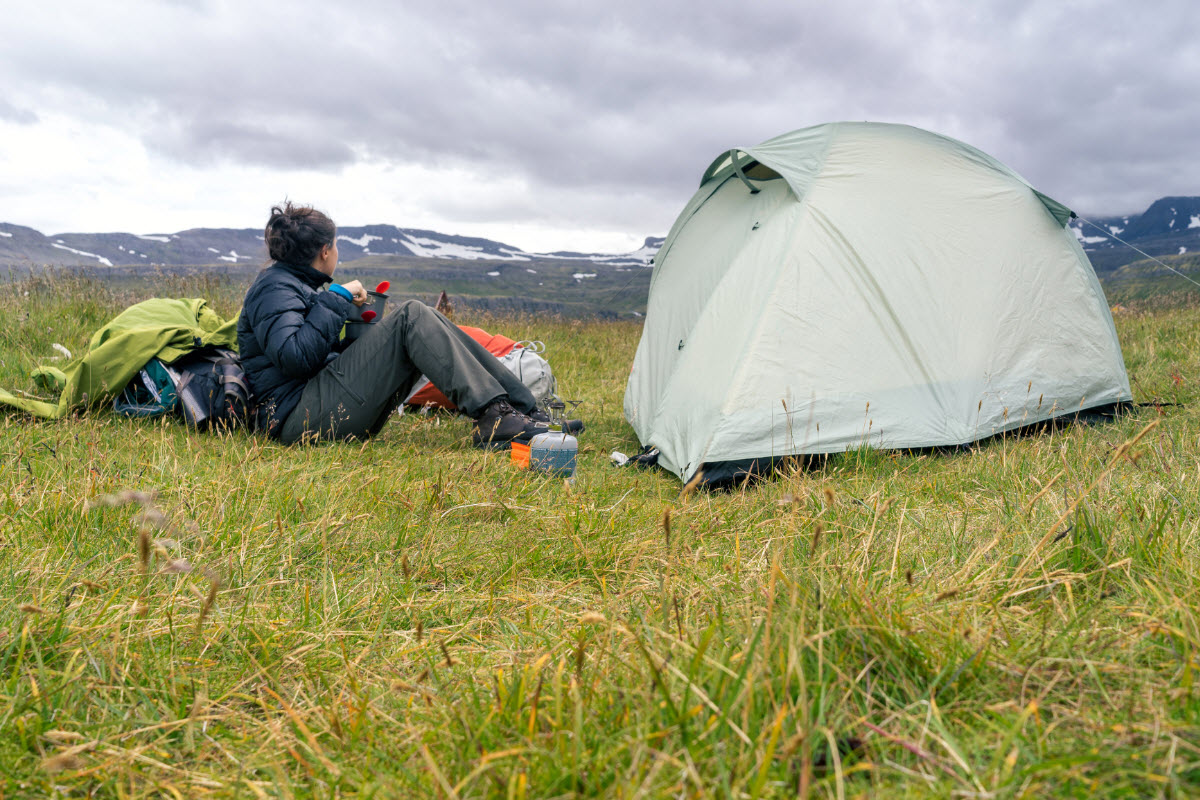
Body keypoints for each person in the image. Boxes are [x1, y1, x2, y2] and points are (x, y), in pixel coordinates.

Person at [238, 202, 580, 448]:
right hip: (297, 419)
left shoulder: (295, 284)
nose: (337, 252)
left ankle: (523, 411)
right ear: (325, 251)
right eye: (337, 246)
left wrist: (360, 334)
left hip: (312, 405)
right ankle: (496, 417)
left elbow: (312, 355)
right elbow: (294, 357)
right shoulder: (274, 287)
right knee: (413, 315)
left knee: (417, 321)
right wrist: (337, 298)